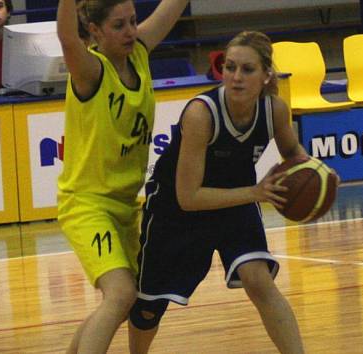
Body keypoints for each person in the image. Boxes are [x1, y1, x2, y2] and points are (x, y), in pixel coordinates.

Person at [128, 31, 309, 354]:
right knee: (148, 308)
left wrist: (319, 173)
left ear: (266, 75)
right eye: (229, 67)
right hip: (176, 209)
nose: (236, 77)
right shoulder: (201, 113)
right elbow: (189, 197)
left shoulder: (275, 110)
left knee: (259, 280)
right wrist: (255, 192)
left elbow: (294, 153)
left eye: (247, 69)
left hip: (235, 201)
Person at [55, 0, 189, 352]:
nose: (131, 30)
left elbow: (171, 9)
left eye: (133, 21)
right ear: (95, 31)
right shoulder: (91, 70)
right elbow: (68, 39)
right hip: (87, 204)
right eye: (119, 25)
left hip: (127, 205)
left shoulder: (139, 53)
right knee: (121, 293)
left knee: (126, 299)